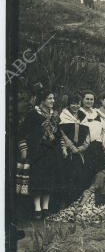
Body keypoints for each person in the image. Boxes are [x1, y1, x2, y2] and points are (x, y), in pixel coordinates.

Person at [18, 90, 64, 219]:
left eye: (53, 98)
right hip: (38, 151)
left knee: (49, 180)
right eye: (49, 98)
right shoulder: (33, 114)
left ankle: (46, 208)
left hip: (51, 151)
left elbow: (59, 133)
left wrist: (61, 146)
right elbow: (22, 132)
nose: (52, 101)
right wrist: (24, 148)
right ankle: (37, 209)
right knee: (38, 179)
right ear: (42, 100)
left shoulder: (55, 115)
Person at [48, 154, 105, 224]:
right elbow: (90, 190)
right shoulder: (101, 175)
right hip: (97, 199)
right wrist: (81, 204)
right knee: (86, 215)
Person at [58, 95, 92, 205]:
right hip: (68, 152)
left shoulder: (83, 116)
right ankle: (65, 203)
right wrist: (71, 147)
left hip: (80, 152)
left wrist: (82, 148)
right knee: (67, 176)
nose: (75, 106)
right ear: (68, 104)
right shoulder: (64, 115)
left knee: (79, 176)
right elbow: (62, 133)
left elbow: (88, 135)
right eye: (72, 103)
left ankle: (76, 202)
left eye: (77, 103)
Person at [79, 90, 105, 175]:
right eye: (87, 99)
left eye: (91, 99)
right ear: (82, 100)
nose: (89, 101)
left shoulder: (96, 113)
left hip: (96, 144)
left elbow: (101, 129)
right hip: (84, 144)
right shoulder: (78, 112)